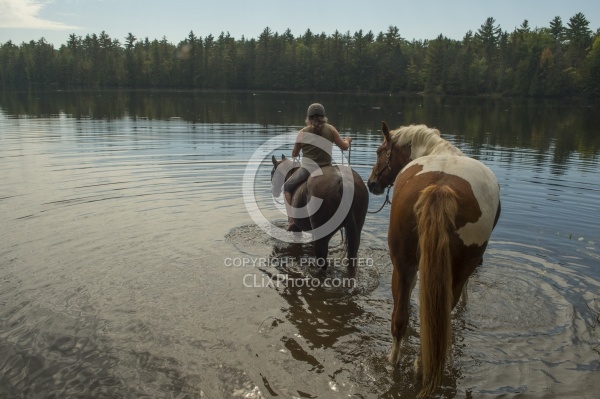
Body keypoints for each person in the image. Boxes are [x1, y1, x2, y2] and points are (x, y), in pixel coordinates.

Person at [283, 103, 352, 231]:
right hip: (327, 168)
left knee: (287, 186)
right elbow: (344, 147)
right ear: (324, 117)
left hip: (307, 170)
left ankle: (292, 219)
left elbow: (294, 154)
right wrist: (348, 140)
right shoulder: (331, 129)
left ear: (308, 118)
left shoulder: (302, 133)